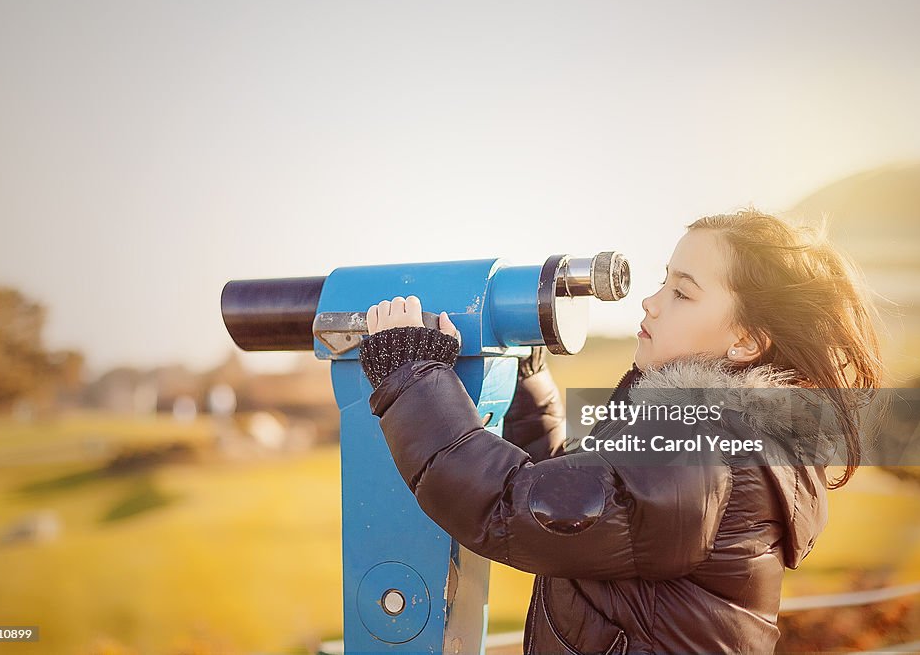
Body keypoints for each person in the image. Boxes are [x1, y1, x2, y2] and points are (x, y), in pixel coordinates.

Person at [357, 209, 884, 654]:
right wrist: (525, 378)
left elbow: (516, 508)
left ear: (747, 341)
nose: (651, 302)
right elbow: (574, 497)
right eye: (663, 282)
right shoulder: (724, 434)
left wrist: (411, 373)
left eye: (683, 293)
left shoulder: (699, 444)